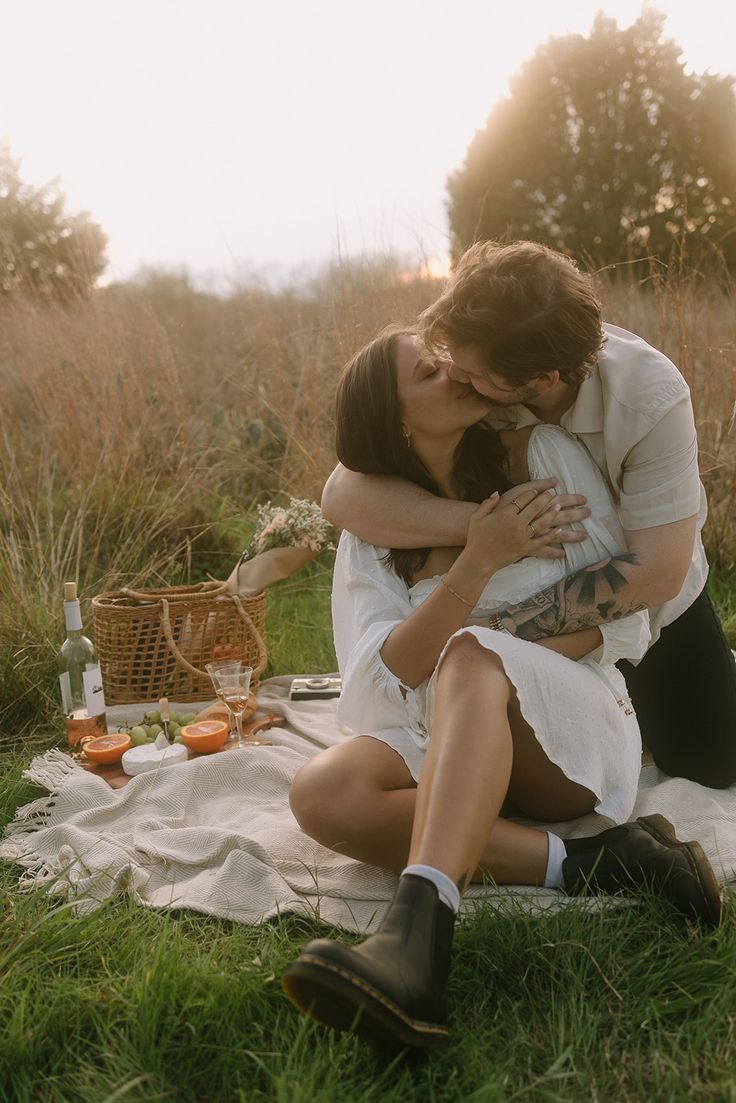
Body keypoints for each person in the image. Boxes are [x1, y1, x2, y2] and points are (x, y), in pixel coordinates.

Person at [281, 327, 722, 1052]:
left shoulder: (541, 459)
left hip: (568, 721)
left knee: (468, 656)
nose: (453, 369)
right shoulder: (374, 528)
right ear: (399, 420)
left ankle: (416, 945)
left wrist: (492, 661)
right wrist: (474, 561)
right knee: (321, 792)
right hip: (436, 724)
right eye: (429, 371)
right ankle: (592, 863)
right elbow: (377, 680)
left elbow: (622, 621)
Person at [321, 241, 736, 789]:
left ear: (541, 381)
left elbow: (657, 573)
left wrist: (487, 634)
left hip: (652, 600)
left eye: (472, 371)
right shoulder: (480, 368)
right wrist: (485, 531)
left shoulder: (648, 397)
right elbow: (343, 496)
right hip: (542, 603)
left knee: (712, 761)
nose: (455, 371)